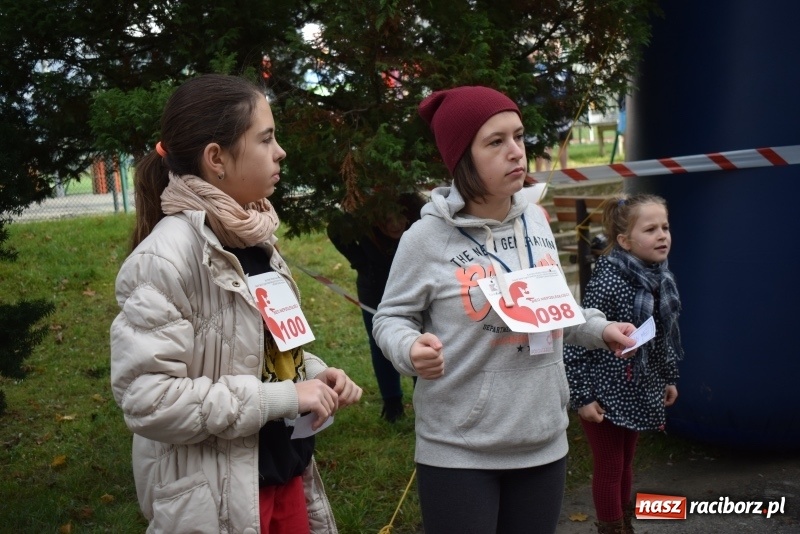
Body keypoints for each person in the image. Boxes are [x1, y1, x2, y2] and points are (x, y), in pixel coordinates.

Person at [371, 85, 637, 534]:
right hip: (460, 449)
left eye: (518, 136)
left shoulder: (535, 219)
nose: (516, 152)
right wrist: (409, 348)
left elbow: (555, 305)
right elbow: (389, 318)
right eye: (495, 142)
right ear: (462, 159)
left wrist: (600, 329)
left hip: (543, 440)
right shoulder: (426, 238)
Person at [109, 74, 362, 534]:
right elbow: (147, 401)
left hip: (284, 480)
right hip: (218, 504)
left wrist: (312, 375)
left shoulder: (256, 241)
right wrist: (285, 396)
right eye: (266, 139)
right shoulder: (164, 260)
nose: (280, 151)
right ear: (216, 159)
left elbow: (258, 355)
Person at [564, 193, 683, 534]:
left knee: (626, 462)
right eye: (651, 229)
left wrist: (667, 378)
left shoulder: (659, 277)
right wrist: (583, 398)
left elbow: (659, 336)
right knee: (610, 464)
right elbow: (573, 343)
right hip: (603, 391)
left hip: (635, 387)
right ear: (624, 241)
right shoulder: (608, 279)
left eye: (665, 227)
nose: (662, 235)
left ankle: (623, 522)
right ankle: (611, 527)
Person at [326, 192, 425, 422]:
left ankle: (424, 398)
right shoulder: (361, 218)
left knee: (420, 340)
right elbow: (335, 227)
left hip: (414, 286)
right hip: (374, 288)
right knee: (380, 344)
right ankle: (392, 403)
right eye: (387, 221)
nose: (395, 225)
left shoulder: (417, 212)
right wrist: (360, 261)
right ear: (375, 220)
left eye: (399, 218)